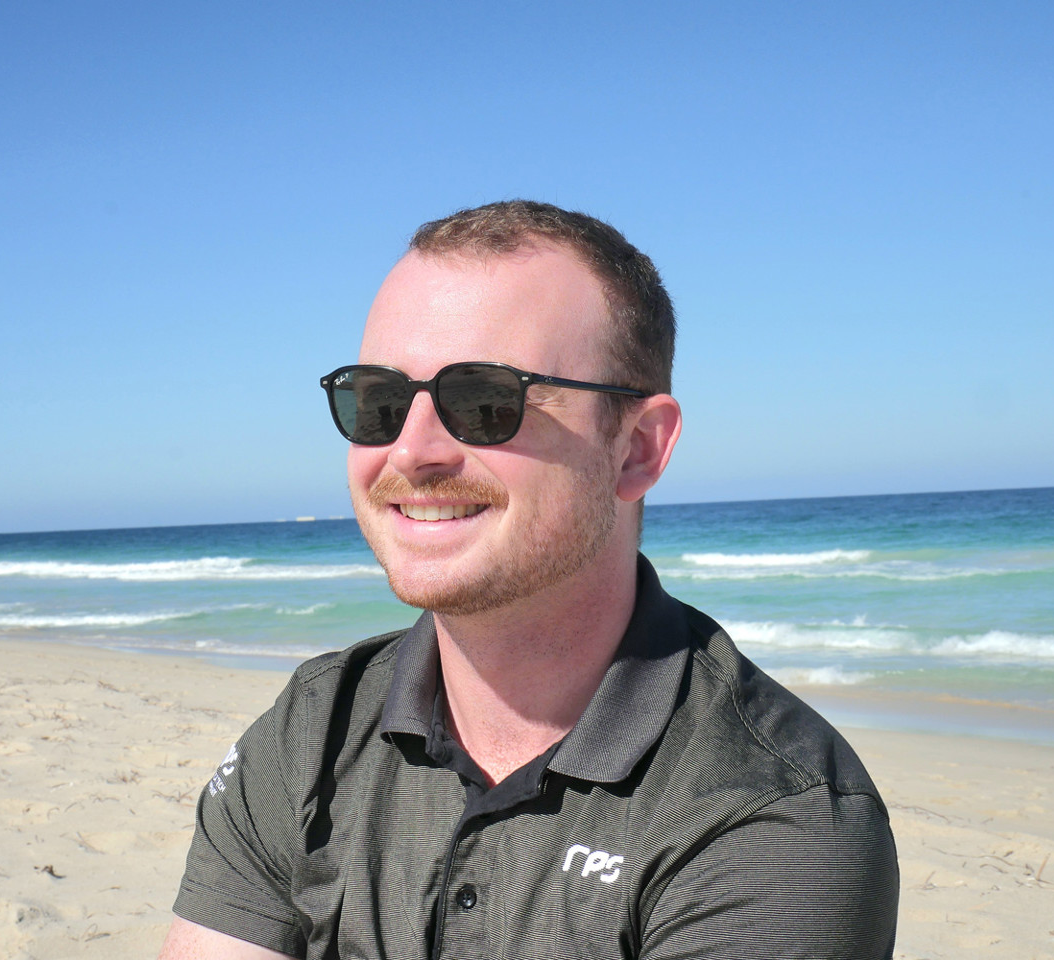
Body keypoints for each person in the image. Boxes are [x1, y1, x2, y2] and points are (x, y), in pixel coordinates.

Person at [159, 200, 899, 959]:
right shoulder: (317, 729)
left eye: (483, 400)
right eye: (378, 401)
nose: (410, 453)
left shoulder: (769, 813)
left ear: (638, 449)